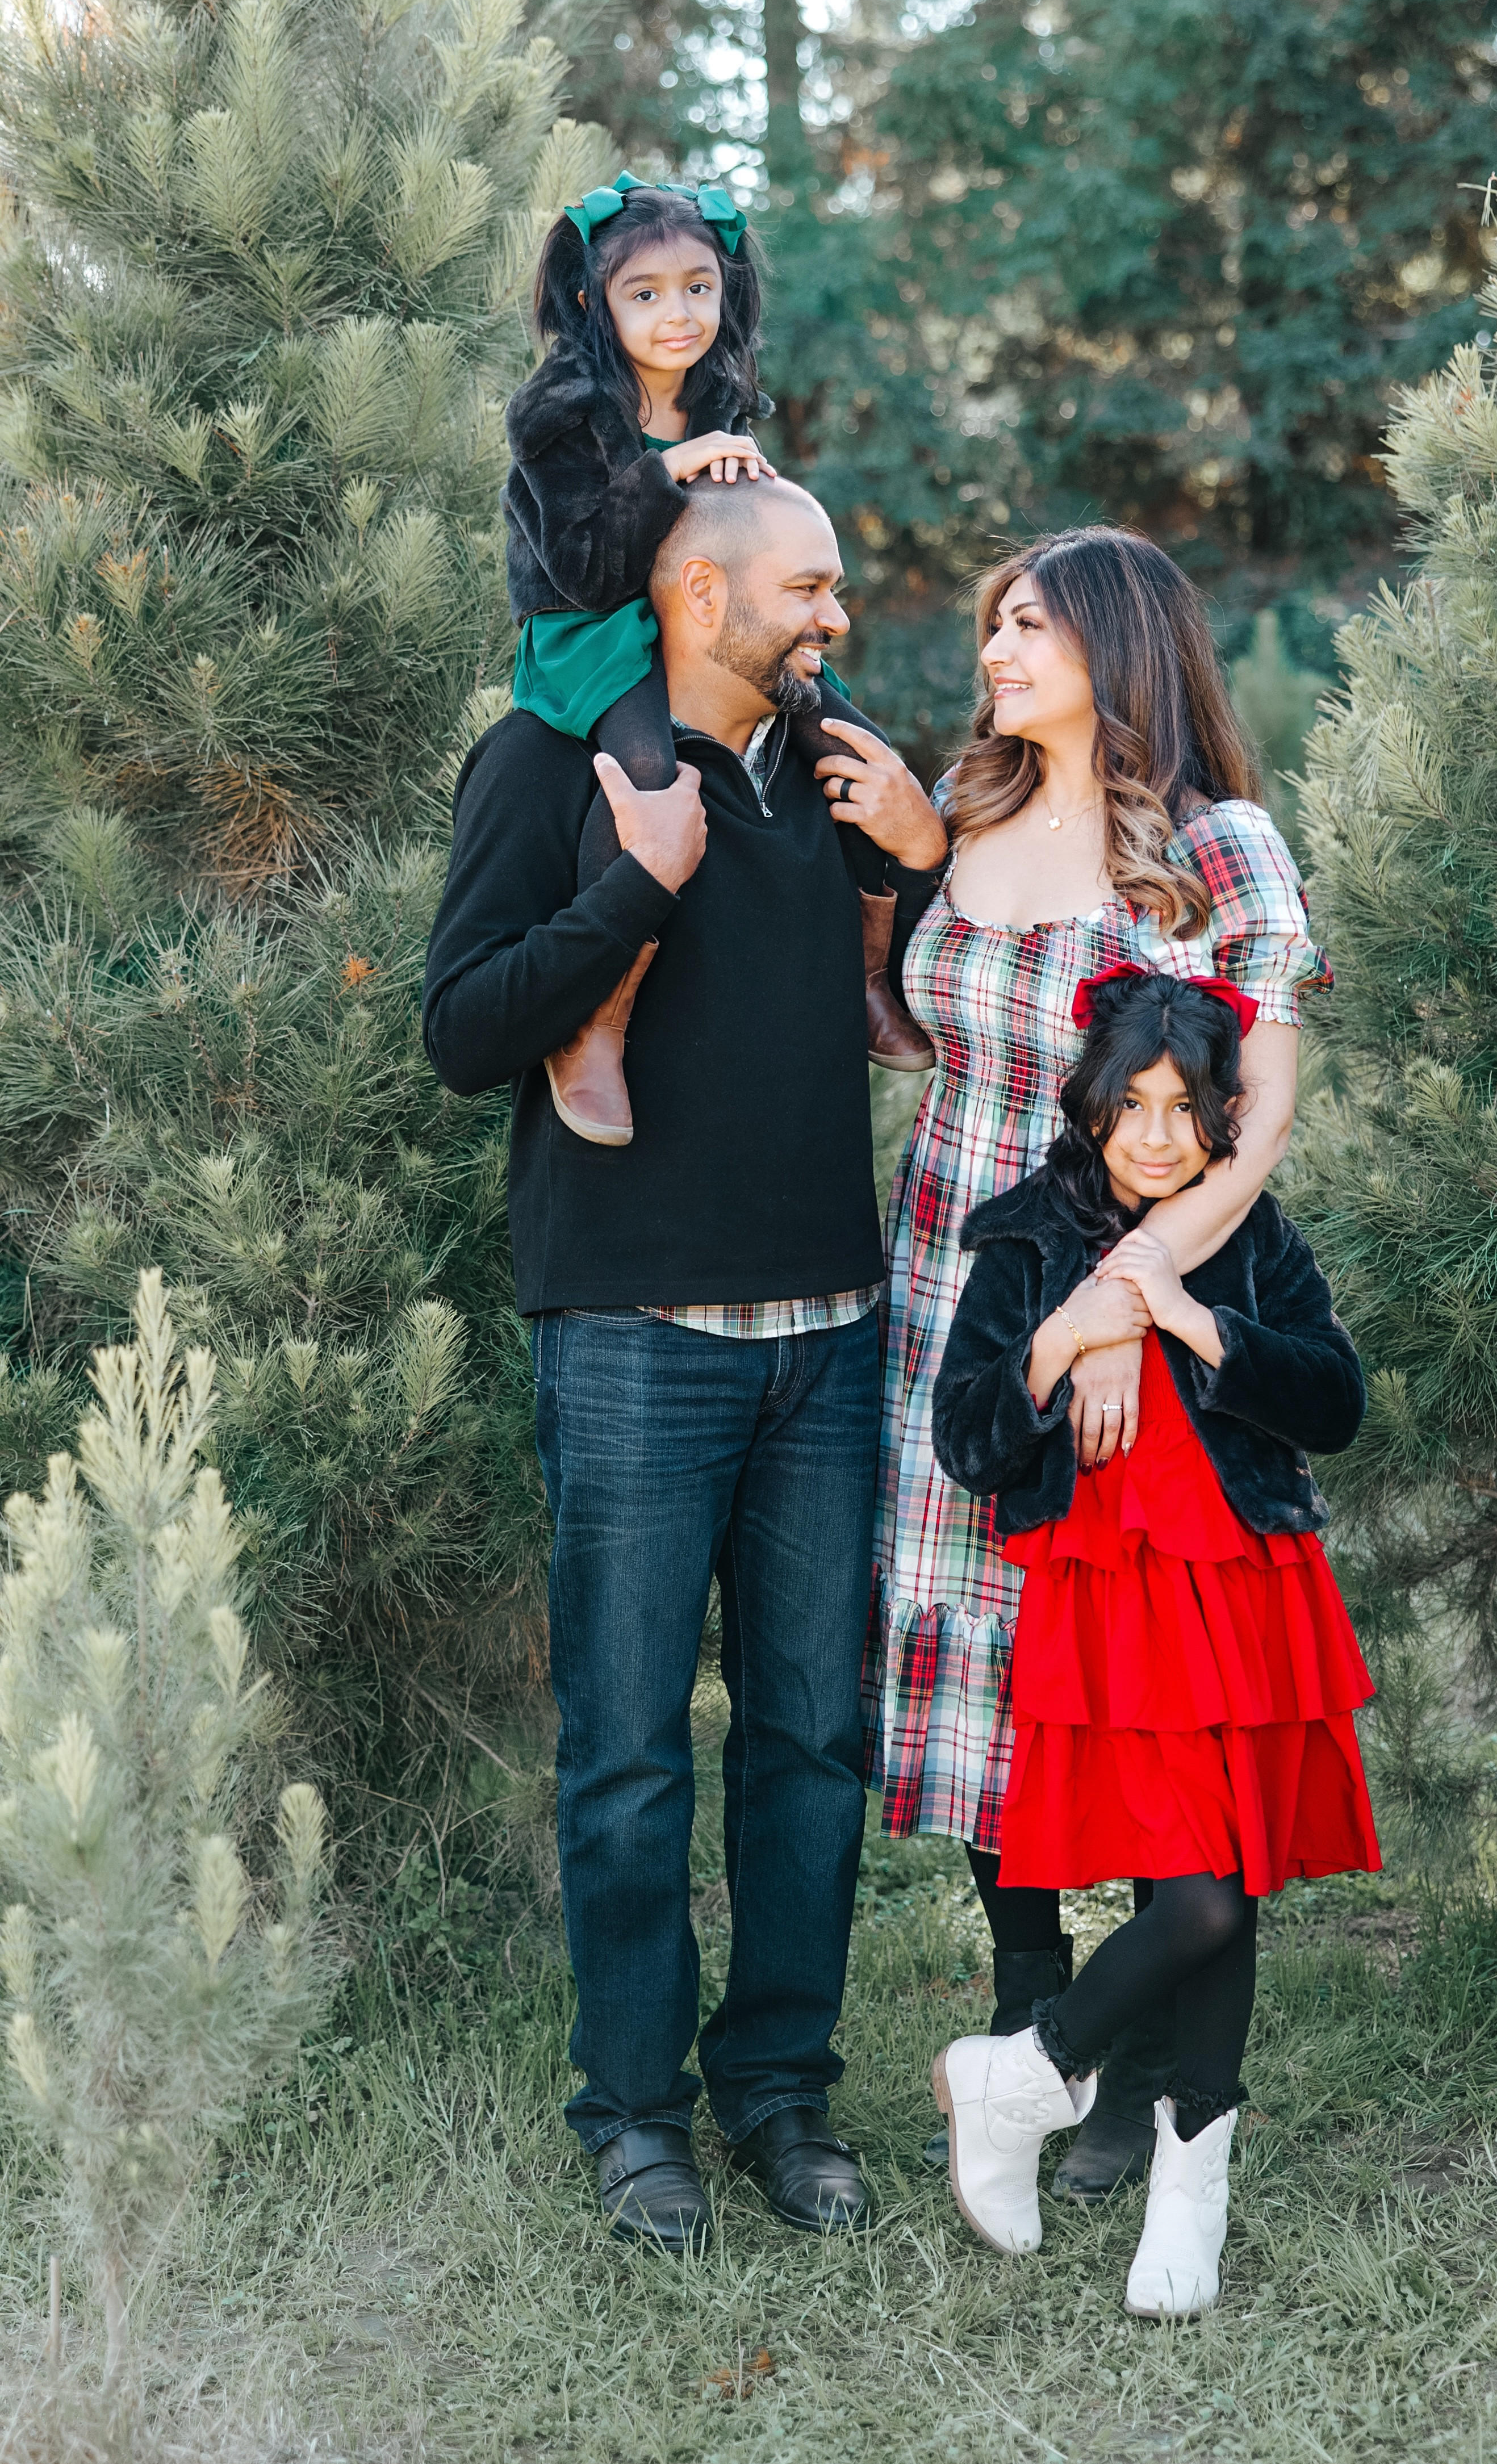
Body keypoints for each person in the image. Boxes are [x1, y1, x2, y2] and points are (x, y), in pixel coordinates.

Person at [422, 472, 948, 2253]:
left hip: (830, 1332)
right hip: (637, 1338)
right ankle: (634, 2113)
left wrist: (926, 857)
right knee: (630, 1752)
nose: (835, 619)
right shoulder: (547, 761)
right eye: (807, 588)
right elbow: (462, 1027)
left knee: (809, 1740)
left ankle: (778, 2093)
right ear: (700, 602)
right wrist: (631, 896)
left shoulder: (837, 769)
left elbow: (929, 1005)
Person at [863, 525, 1335, 2199]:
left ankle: (1134, 2074)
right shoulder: (968, 810)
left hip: (1131, 1298)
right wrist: (900, 865)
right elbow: (906, 1025)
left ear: (1119, 646)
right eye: (992, 620)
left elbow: (1258, 1113)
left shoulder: (1216, 850)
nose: (994, 647)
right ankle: (1026, 2015)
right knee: (995, 1661)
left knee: (1128, 1673)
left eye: (1029, 624)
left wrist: (1129, 1288)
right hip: (954, 1286)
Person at [928, 965, 1378, 2315]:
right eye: (1131, 1105)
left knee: (1227, 1886)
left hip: (1242, 1591)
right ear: (1087, 1102)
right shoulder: (1023, 1239)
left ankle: (1187, 2185)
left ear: (1225, 1117)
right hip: (1113, 1606)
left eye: (1184, 1109)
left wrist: (1197, 1323)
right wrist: (1063, 1341)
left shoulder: (1243, 1237)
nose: (1156, 1137)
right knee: (1199, 1900)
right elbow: (966, 1438)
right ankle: (1028, 2074)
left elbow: (1336, 1400)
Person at [502, 168, 931, 1144]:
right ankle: (596, 1022)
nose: (679, 314)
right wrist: (666, 472)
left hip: (705, 622)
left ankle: (869, 969)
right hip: (596, 626)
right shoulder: (563, 407)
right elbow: (581, 563)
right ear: (592, 301)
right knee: (647, 767)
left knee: (847, 738)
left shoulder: (718, 393)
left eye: (700, 287)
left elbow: (732, 537)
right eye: (644, 294)